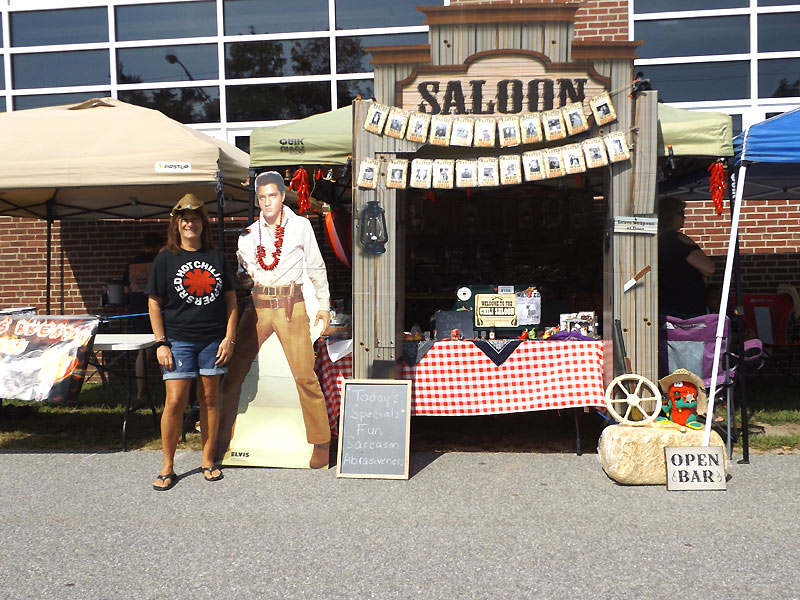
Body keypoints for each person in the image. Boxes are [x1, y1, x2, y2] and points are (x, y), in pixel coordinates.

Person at [216, 171, 331, 469]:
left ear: (282, 196)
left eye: (272, 195)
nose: (268, 202)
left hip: (291, 304)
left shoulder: (301, 226)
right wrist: (243, 278)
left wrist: (324, 305)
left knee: (305, 376)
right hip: (257, 304)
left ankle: (321, 442)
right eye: (262, 197)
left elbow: (316, 266)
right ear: (258, 200)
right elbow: (247, 274)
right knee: (233, 375)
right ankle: (219, 440)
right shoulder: (247, 235)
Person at [146, 193, 237, 491]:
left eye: (195, 218)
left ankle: (208, 459)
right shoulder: (165, 259)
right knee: (174, 401)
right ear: (177, 224)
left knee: (210, 399)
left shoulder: (218, 258)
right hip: (178, 341)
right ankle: (167, 466)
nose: (190, 223)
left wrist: (229, 338)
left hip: (213, 341)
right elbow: (154, 303)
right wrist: (161, 342)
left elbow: (232, 303)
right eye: (184, 218)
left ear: (203, 223)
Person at [122, 232, 163, 401]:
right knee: (164, 346)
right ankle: (169, 391)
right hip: (159, 309)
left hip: (138, 308)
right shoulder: (160, 261)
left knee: (143, 352)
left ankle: (140, 392)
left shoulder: (132, 263)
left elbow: (126, 289)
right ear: (158, 246)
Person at [658, 196, 715, 318]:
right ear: (670, 215)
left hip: (664, 308)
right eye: (681, 213)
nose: (684, 217)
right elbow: (709, 268)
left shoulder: (655, 241)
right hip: (687, 309)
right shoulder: (677, 239)